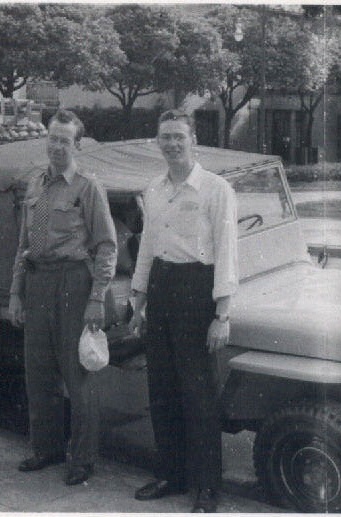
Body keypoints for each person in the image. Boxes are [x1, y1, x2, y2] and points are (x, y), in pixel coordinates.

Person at [128, 110, 238, 513]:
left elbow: (227, 250)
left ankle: (208, 486)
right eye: (165, 137)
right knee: (161, 390)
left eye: (179, 136)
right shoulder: (154, 188)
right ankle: (170, 475)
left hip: (197, 290)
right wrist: (138, 300)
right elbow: (147, 246)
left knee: (199, 394)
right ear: (158, 142)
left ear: (193, 140)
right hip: (160, 286)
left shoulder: (215, 189)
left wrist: (221, 314)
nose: (172, 144)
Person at [8, 109, 117, 486]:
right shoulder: (35, 183)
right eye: (52, 138)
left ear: (78, 144)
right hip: (38, 282)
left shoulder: (88, 186)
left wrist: (97, 297)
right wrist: (16, 294)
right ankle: (46, 448)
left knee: (78, 373)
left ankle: (82, 458)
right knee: (38, 371)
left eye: (64, 140)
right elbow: (24, 244)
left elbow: (106, 246)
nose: (56, 146)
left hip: (74, 283)